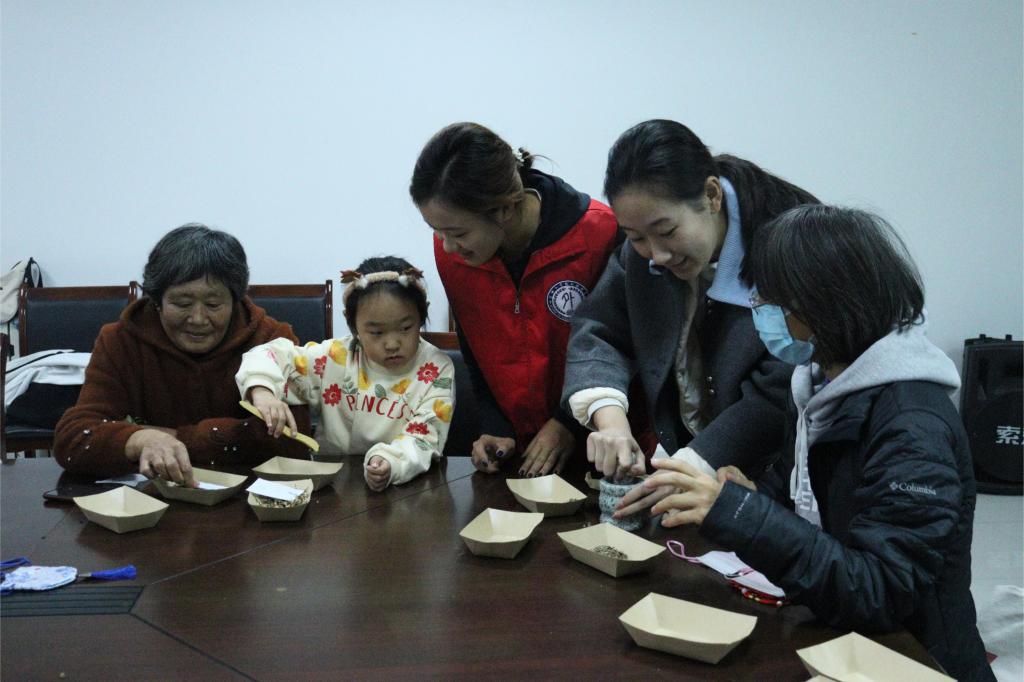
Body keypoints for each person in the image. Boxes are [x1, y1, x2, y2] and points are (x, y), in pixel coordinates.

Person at [643, 206, 993, 681]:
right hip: (839, 639)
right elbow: (805, 498)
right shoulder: (820, 384)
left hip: (913, 658)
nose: (760, 309)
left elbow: (881, 592)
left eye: (770, 299)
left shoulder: (912, 425)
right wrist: (750, 496)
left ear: (825, 303)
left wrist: (742, 514)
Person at [563, 119, 818, 504]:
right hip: (688, 465)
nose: (657, 255)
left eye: (667, 232)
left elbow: (781, 389)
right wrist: (610, 417)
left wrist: (692, 465)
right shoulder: (646, 248)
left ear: (712, 196)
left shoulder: (791, 245)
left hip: (778, 481)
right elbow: (599, 327)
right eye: (635, 237)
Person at [410, 122, 626, 477]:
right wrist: (497, 426)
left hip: (606, 451)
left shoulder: (598, 235)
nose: (446, 246)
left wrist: (568, 422)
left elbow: (622, 346)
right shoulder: (455, 254)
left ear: (505, 209)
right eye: (437, 231)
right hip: (523, 458)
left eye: (457, 232)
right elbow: (475, 347)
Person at [54, 223, 311, 484]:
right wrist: (141, 439)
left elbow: (295, 442)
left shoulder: (271, 340)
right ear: (156, 301)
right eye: (182, 303)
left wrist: (177, 438)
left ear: (235, 301)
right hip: (151, 497)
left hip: (251, 498)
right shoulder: (120, 341)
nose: (198, 319)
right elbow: (74, 438)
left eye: (213, 304)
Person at [236, 256, 454, 492]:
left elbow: (425, 436)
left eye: (405, 328)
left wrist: (391, 461)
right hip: (331, 484)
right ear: (354, 327)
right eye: (376, 332)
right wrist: (262, 389)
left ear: (422, 316)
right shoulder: (337, 356)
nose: (392, 344)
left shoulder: (435, 368)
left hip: (405, 486)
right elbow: (271, 354)